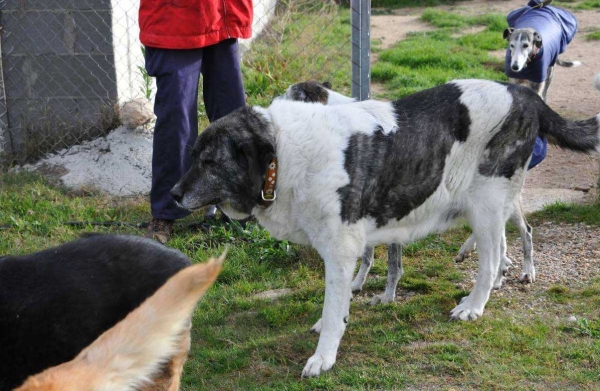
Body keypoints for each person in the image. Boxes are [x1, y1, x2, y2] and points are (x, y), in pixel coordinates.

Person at [138, 1, 253, 243]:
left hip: (221, 15)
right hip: (173, 20)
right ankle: (166, 211)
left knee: (231, 114)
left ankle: (236, 204)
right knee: (176, 121)